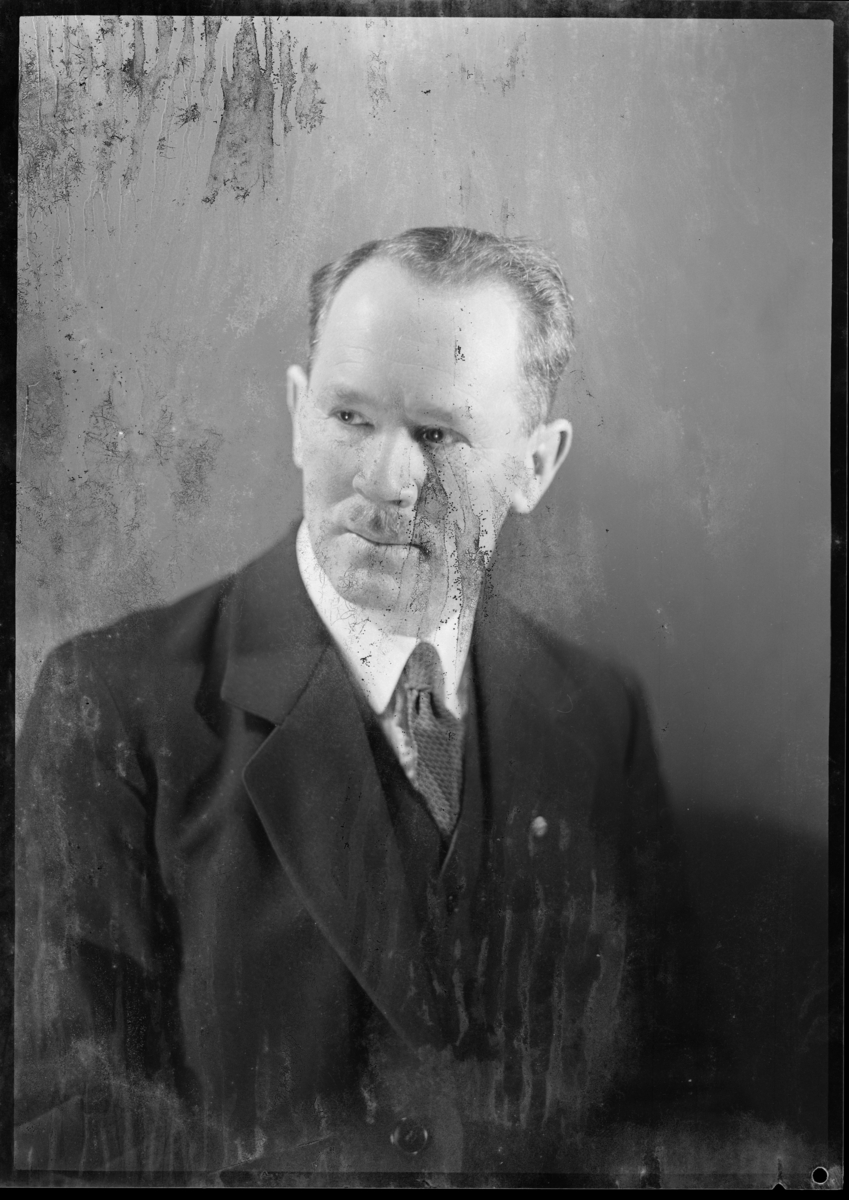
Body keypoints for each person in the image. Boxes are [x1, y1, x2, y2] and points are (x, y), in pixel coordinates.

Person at [16, 227, 716, 1177]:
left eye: (437, 435)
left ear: (535, 466)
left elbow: (677, 1098)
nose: (385, 482)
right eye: (349, 417)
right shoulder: (111, 704)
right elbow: (65, 1119)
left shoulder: (595, 713)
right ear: (297, 414)